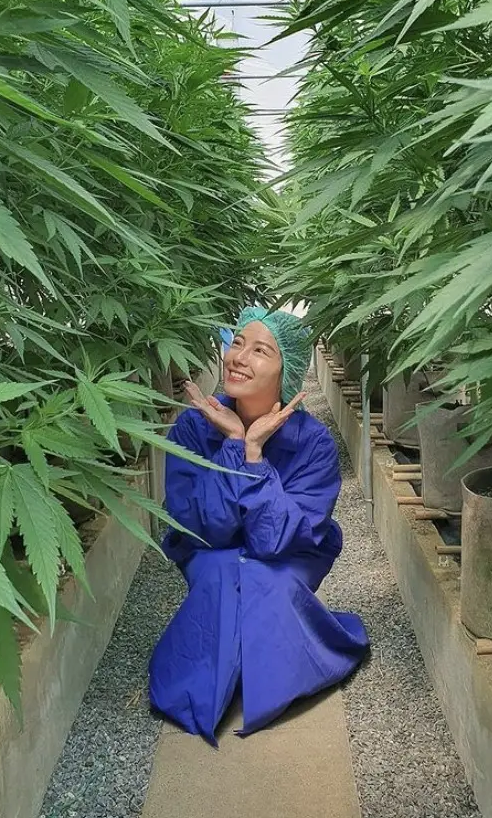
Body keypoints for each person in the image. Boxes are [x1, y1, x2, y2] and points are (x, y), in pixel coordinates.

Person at [149, 306, 369, 744]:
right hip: (210, 548)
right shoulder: (192, 428)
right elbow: (207, 529)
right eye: (237, 343)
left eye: (260, 350)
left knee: (268, 580)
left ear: (286, 373)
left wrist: (253, 457)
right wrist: (232, 443)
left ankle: (268, 664)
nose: (239, 357)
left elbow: (272, 542)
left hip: (290, 553)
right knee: (221, 575)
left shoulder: (314, 444)